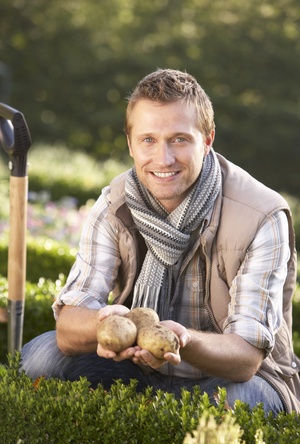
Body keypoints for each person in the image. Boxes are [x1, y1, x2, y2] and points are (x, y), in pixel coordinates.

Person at [21, 68, 300, 414]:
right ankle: (152, 412)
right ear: (130, 143)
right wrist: (105, 322)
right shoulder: (114, 203)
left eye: (179, 139)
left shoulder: (262, 214)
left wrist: (183, 339)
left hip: (228, 378)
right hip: (135, 365)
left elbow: (245, 358)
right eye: (148, 140)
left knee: (244, 402)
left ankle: (158, 416)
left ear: (208, 138)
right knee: (38, 357)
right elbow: (67, 326)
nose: (163, 159)